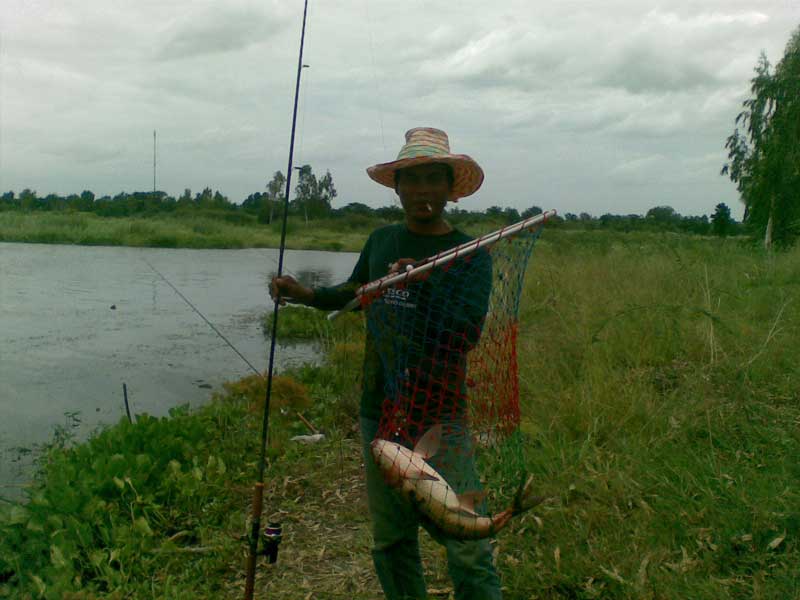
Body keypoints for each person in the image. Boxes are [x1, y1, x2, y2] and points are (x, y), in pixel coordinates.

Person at [270, 127, 501, 600]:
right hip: (380, 411)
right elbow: (355, 293)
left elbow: (464, 334)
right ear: (396, 188)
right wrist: (305, 294)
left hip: (441, 413)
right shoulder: (381, 241)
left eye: (433, 180)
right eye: (411, 181)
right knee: (392, 538)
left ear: (449, 188)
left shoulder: (470, 254)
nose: (422, 192)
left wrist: (418, 285)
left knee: (467, 542)